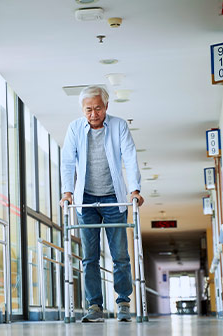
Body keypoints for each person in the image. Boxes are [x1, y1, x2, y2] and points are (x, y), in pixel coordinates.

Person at [60, 86, 144, 323]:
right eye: (88, 109)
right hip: (86, 200)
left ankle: (124, 303)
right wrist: (67, 193)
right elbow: (67, 160)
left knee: (120, 256)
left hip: (113, 199)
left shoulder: (119, 126)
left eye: (98, 108)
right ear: (82, 109)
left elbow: (129, 155)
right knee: (89, 257)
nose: (93, 114)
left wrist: (134, 190)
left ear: (106, 106)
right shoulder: (75, 128)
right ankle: (94, 306)